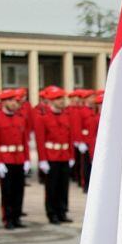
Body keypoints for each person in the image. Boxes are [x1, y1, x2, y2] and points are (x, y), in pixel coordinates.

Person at [0, 90, 30, 229]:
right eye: (11, 101)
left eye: (16, 101)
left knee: (19, 190)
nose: (14, 103)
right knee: (7, 192)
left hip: (19, 159)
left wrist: (27, 159)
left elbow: (24, 140)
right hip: (5, 160)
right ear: (4, 102)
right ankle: (8, 218)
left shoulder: (20, 118)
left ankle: (17, 217)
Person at [34, 86, 75, 224]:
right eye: (58, 98)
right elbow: (40, 140)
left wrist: (71, 156)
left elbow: (70, 137)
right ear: (51, 101)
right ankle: (52, 213)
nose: (62, 101)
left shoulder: (67, 116)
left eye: (62, 98)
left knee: (64, 186)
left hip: (64, 156)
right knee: (52, 187)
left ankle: (62, 211)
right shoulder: (43, 117)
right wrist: (42, 160)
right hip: (51, 157)